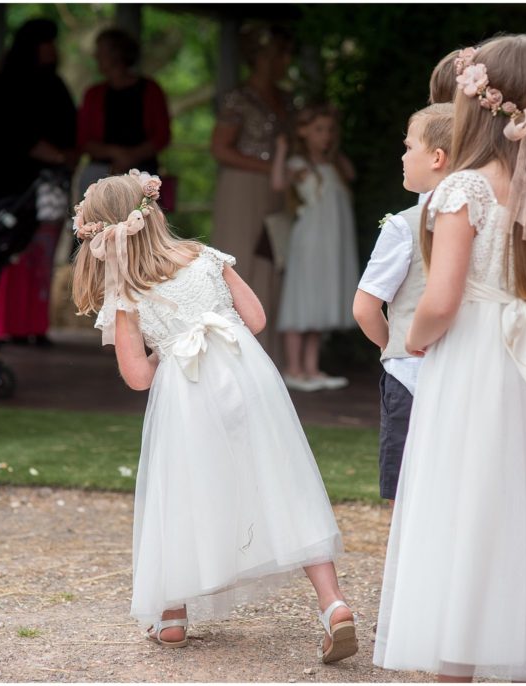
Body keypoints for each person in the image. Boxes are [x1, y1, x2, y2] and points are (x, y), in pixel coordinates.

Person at [374, 37, 526, 681]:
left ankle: (455, 654)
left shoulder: (464, 188)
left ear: (477, 105)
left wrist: (414, 338)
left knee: (461, 492)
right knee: (521, 495)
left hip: (472, 355)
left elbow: (441, 300)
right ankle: (514, 638)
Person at [70, 170, 357, 662]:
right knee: (282, 477)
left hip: (190, 389)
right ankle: (332, 605)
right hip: (249, 377)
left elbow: (137, 376)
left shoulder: (127, 295)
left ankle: (174, 613)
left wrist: (169, 348)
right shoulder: (205, 257)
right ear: (154, 212)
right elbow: (259, 318)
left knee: (180, 489)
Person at [353, 103, 452, 504]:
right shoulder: (487, 218)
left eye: (409, 147)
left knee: (407, 490)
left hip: (409, 376)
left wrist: (391, 346)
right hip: (462, 371)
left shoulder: (403, 226)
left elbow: (364, 307)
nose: (403, 156)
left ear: (437, 157)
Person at [209, 24, 294, 358]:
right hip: (242, 189)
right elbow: (220, 148)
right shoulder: (239, 98)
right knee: (240, 259)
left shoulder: (286, 98)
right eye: (280, 54)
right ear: (261, 56)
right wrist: (269, 167)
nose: (286, 61)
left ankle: (270, 351)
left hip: (277, 191)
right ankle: (232, 350)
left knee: (273, 262)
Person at [0, 18, 76, 346]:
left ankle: (35, 325)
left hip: (50, 187)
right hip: (15, 186)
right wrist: (54, 155)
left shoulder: (55, 85)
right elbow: (13, 134)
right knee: (14, 255)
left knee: (42, 257)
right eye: (46, 43)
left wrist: (63, 159)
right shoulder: (10, 85)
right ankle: (8, 325)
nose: (52, 50)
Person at [271, 105, 358, 391]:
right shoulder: (298, 164)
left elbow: (351, 173)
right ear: (304, 131)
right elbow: (277, 183)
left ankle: (311, 368)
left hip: (331, 241)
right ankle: (294, 368)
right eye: (319, 130)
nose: (326, 136)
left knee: (319, 299)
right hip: (310, 239)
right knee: (302, 298)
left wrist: (331, 152)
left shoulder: (332, 165)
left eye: (330, 130)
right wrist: (282, 150)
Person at [76, 27, 171, 194]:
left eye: (101, 51)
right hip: (100, 172)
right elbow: (83, 138)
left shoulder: (150, 90)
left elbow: (162, 135)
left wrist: (132, 156)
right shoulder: (94, 94)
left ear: (117, 54)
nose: (96, 56)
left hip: (142, 172)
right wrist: (116, 153)